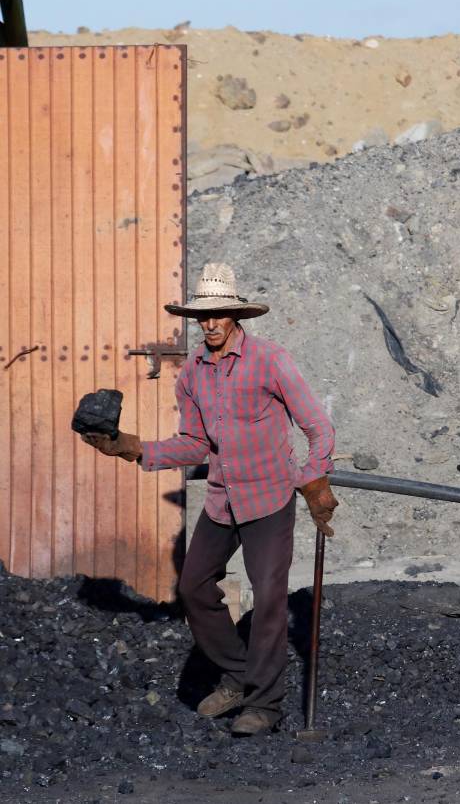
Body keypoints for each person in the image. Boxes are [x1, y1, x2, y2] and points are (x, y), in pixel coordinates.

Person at [82, 262, 337, 735]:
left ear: (236, 315)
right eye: (204, 316)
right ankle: (239, 674)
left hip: (269, 498)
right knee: (194, 588)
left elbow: (318, 427)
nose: (211, 324)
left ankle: (264, 704)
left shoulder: (270, 360)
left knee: (270, 599)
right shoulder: (193, 374)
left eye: (219, 315)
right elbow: (196, 444)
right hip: (223, 498)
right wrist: (136, 448)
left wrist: (316, 478)